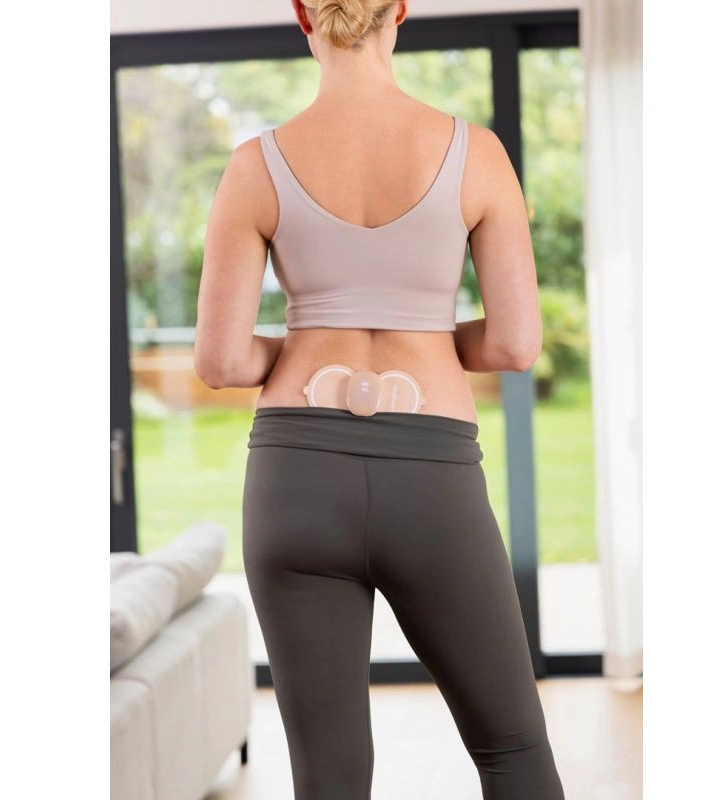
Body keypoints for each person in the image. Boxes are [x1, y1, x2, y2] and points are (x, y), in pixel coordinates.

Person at [194, 1, 565, 797]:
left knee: (329, 777)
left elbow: (220, 360)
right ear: (399, 9)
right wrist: (422, 338)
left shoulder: (256, 165)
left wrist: (307, 349)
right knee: (513, 751)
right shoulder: (476, 154)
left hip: (295, 478)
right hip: (431, 476)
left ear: (303, 15)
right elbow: (513, 345)